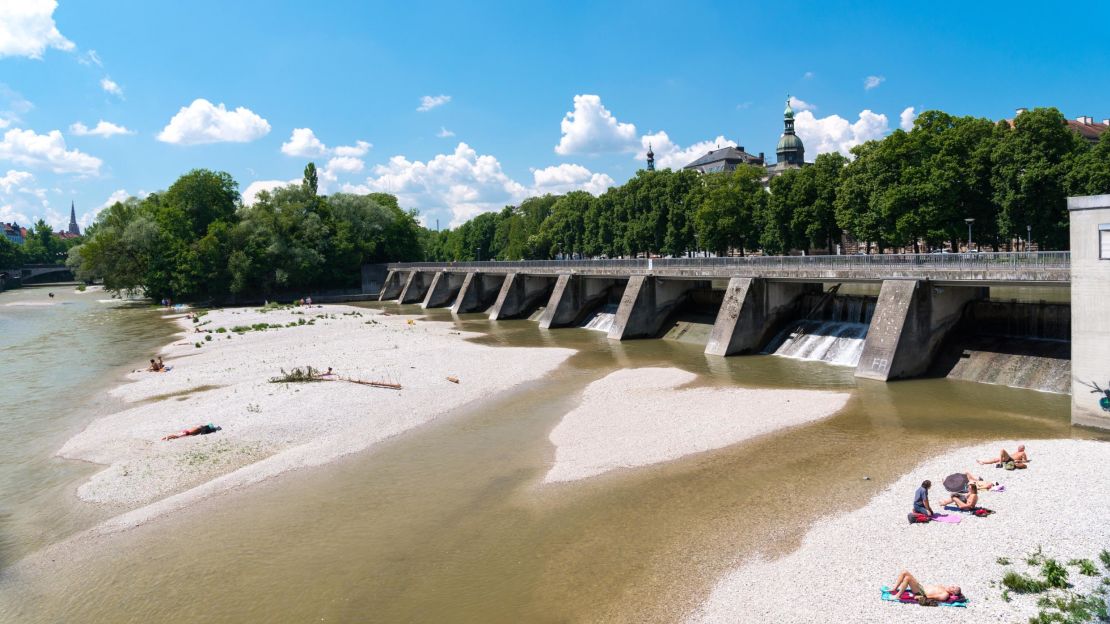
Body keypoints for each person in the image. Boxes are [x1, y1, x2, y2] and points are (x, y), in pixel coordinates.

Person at [889, 570, 963, 603]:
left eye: (953, 588)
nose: (951, 586)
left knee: (907, 578)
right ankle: (894, 589)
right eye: (953, 586)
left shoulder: (945, 594)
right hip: (921, 588)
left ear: (953, 593)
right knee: (904, 572)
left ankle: (897, 596)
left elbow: (934, 597)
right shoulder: (943, 587)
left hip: (921, 593)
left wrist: (921, 597)